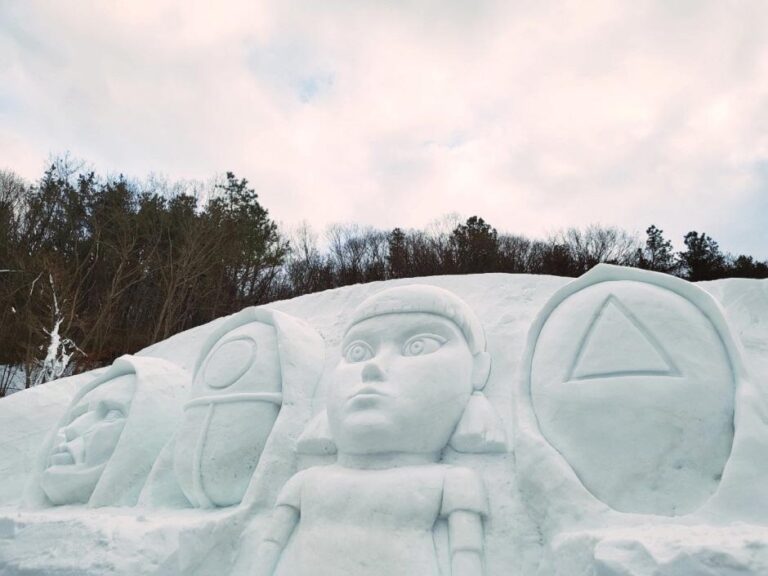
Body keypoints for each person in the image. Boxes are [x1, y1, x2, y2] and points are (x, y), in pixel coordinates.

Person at [254, 284, 506, 576]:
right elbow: (268, 547)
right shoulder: (304, 482)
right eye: (358, 352)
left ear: (478, 370)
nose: (372, 367)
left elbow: (467, 556)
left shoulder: (453, 483)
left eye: (418, 346)